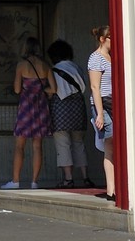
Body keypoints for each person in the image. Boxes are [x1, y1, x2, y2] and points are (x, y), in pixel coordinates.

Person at [1, 36, 53, 190]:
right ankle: (34, 182)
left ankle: (15, 181)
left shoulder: (21, 65)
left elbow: (17, 89)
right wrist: (41, 91)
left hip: (25, 107)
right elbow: (54, 88)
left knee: (19, 145)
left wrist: (28, 90)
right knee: (37, 146)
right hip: (41, 106)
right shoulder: (46, 65)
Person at [47, 39, 89, 188]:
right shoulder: (76, 67)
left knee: (62, 143)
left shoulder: (54, 70)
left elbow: (52, 91)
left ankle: (68, 178)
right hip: (78, 106)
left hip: (60, 108)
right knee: (79, 142)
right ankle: (85, 177)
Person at [87, 23, 116, 202]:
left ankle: (113, 189)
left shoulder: (112, 56)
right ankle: (111, 189)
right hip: (103, 104)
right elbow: (95, 87)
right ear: (102, 39)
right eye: (111, 37)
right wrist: (99, 113)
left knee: (114, 145)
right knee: (110, 145)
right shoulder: (96, 58)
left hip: (114, 102)